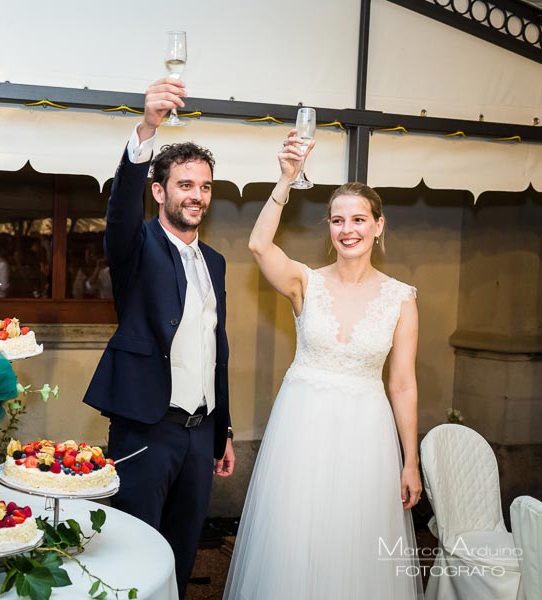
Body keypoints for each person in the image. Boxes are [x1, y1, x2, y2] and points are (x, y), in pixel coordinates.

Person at [223, 131, 423, 599]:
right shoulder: (304, 283)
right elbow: (258, 246)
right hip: (303, 430)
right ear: (329, 229)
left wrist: (410, 462)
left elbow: (403, 385)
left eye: (358, 219)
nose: (347, 229)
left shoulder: (401, 299)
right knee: (297, 539)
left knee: (355, 543)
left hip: (366, 435)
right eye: (337, 220)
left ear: (379, 226)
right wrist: (285, 180)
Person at [83, 77, 235, 598]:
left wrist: (224, 429)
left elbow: (217, 347)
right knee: (135, 552)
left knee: (182, 552)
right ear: (160, 191)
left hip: (199, 434)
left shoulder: (213, 261)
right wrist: (147, 127)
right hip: (146, 428)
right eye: (185, 185)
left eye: (205, 187)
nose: (196, 196)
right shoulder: (136, 245)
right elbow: (121, 208)